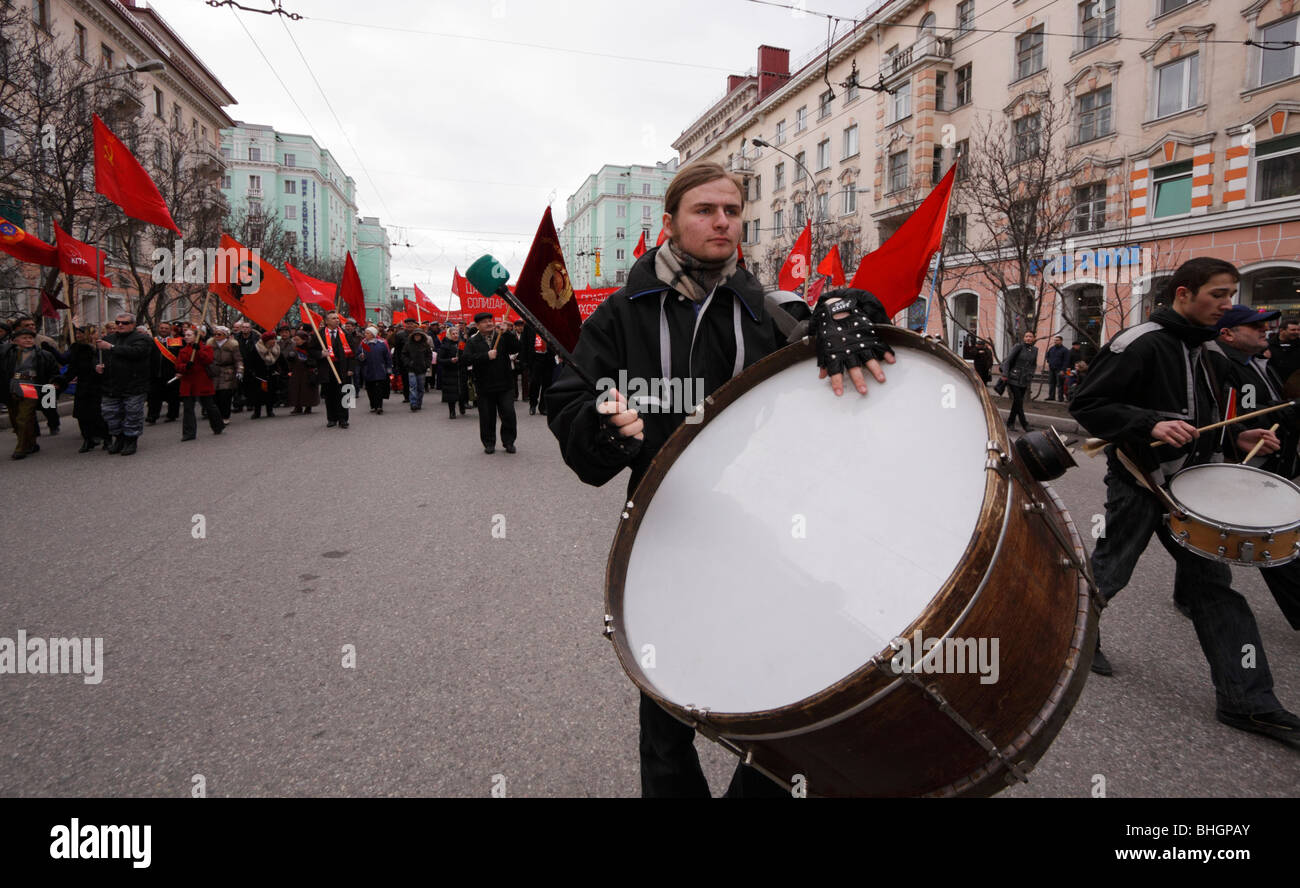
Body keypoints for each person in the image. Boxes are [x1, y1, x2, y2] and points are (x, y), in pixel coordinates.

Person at [547, 160, 893, 796]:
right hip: (667, 533)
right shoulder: (623, 315)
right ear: (671, 222)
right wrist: (600, 428)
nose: (722, 222)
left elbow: (844, 321)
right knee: (666, 709)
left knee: (781, 695)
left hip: (767, 533)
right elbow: (570, 402)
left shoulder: (767, 307)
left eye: (732, 211)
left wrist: (850, 308)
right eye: (705, 210)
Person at [1069, 257, 1298, 750]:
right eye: (1218, 294)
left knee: (1216, 588)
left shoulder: (1211, 352)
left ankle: (1248, 700)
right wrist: (1148, 423)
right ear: (1183, 294)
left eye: (1231, 293)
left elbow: (1209, 417)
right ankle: (1075, 637)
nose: (1227, 304)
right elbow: (1087, 405)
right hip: (1139, 483)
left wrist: (1240, 436)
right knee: (1111, 571)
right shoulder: (1139, 343)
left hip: (1192, 492)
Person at [1207, 304, 1300, 631]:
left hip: (1274, 463)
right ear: (1228, 334)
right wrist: (1276, 414)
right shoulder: (1222, 367)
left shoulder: (1261, 362)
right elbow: (1226, 418)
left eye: (1265, 325)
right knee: (1273, 538)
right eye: (1254, 326)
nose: (1265, 330)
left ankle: (1190, 591)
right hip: (1246, 468)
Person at [96, 311, 152, 455]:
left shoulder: (142, 339)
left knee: (132, 414)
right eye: (118, 322)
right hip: (111, 385)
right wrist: (97, 366)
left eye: (124, 323)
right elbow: (98, 358)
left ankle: (131, 440)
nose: (120, 325)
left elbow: (136, 352)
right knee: (111, 415)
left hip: (133, 385)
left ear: (132, 325)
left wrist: (112, 348)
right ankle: (119, 438)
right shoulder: (108, 339)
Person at [2, 326, 61, 459]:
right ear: (15, 341)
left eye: (30, 338)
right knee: (15, 419)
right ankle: (31, 443)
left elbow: (53, 371)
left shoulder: (43, 354)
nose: (28, 340)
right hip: (12, 386)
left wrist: (55, 382)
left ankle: (20, 448)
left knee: (24, 417)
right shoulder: (7, 353)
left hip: (30, 386)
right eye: (24, 338)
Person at [466, 314, 520, 452]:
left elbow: (516, 348)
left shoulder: (501, 336)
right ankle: (489, 443)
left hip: (505, 384)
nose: (489, 323)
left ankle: (509, 442)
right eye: (484, 322)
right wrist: (485, 356)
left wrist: (508, 332)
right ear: (477, 326)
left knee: (508, 413)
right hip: (485, 385)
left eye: (490, 321)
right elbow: (466, 360)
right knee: (487, 416)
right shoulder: (473, 341)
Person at [64, 325, 109, 452]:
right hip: (83, 386)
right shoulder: (76, 349)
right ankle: (88, 439)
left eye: (81, 333)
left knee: (98, 415)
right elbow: (72, 368)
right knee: (81, 415)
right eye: (77, 334)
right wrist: (60, 381)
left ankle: (106, 438)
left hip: (98, 386)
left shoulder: (100, 348)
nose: (78, 336)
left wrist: (101, 369)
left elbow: (109, 365)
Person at [175, 326, 224, 440]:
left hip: (202, 381)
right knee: (188, 408)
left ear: (196, 337)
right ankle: (189, 433)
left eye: (189, 335)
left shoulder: (206, 348)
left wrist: (198, 351)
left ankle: (218, 425)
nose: (186, 337)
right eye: (185, 335)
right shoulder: (182, 351)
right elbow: (178, 366)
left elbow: (208, 360)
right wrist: (185, 366)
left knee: (209, 406)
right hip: (188, 382)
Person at [318, 311, 359, 429]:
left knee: (344, 394)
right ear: (326, 321)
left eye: (337, 318)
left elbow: (352, 353)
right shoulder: (319, 334)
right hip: (327, 368)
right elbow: (312, 350)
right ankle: (331, 418)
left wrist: (351, 368)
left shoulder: (345, 334)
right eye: (333, 318)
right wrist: (320, 353)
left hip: (343, 369)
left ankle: (343, 419)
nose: (337, 320)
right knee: (329, 395)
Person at [146, 321, 182, 424]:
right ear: (158, 329)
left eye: (166, 328)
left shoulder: (176, 342)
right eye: (162, 328)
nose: (163, 330)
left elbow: (180, 357)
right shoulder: (152, 341)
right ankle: (152, 416)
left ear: (170, 330)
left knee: (173, 396)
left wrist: (179, 371)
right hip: (156, 374)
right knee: (154, 397)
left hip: (171, 374)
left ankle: (172, 415)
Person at [1001, 331, 1037, 432]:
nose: (1028, 338)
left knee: (1017, 403)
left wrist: (1031, 374)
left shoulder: (1034, 350)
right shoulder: (1018, 347)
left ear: (1034, 338)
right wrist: (1005, 374)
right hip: (1013, 378)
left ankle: (1010, 423)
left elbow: (1033, 364)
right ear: (1024, 338)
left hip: (1024, 379)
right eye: (1026, 336)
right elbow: (1008, 361)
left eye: (1030, 336)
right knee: (1019, 402)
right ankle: (1025, 425)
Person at [207, 326, 243, 424]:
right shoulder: (210, 345)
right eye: (215, 334)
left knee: (225, 396)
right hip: (214, 372)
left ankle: (225, 416)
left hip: (227, 373)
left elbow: (238, 359)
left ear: (225, 335)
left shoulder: (232, 346)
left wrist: (240, 370)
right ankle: (217, 417)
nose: (216, 336)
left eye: (219, 334)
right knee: (215, 397)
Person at [358, 326, 393, 414]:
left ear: (373, 334)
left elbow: (387, 357)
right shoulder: (363, 344)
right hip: (368, 370)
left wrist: (389, 369)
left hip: (380, 369)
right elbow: (359, 356)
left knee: (379, 388)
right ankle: (373, 405)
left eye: (367, 333)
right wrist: (361, 357)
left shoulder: (381, 343)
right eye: (365, 333)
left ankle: (379, 406)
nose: (365, 335)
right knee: (370, 388)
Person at [284, 331, 320, 415]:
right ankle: (297, 407)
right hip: (296, 372)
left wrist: (308, 361)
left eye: (298, 340)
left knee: (307, 390)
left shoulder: (310, 348)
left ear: (304, 340)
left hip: (308, 372)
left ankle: (308, 406)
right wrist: (290, 357)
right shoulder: (295, 348)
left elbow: (315, 360)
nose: (296, 341)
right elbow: (290, 361)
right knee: (296, 389)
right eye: (295, 339)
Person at [248, 331, 281, 419]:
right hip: (259, 375)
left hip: (272, 373)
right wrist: (252, 372)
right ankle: (257, 412)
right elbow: (250, 361)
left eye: (274, 339)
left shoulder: (276, 348)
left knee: (271, 393)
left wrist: (282, 371)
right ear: (266, 340)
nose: (274, 341)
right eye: (272, 339)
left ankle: (269, 410)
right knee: (258, 394)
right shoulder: (256, 349)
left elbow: (281, 360)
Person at [436, 324, 463, 419]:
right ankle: (452, 411)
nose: (455, 335)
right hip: (449, 372)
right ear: (449, 335)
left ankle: (462, 406)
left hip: (460, 371)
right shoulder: (445, 346)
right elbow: (439, 360)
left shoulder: (461, 343)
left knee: (461, 391)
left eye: (457, 333)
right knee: (451, 393)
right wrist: (450, 360)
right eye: (453, 334)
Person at [1267, 315, 1300, 384]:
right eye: (1293, 330)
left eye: (1298, 330)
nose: (1297, 332)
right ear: (1282, 330)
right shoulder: (1267, 345)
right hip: (1274, 384)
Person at [1045, 335, 1069, 402]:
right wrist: (1049, 361)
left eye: (1057, 340)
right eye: (1055, 340)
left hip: (1059, 370)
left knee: (1060, 384)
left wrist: (1063, 370)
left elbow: (1066, 361)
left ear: (1061, 341)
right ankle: (1051, 396)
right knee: (1051, 383)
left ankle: (1060, 398)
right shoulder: (1052, 348)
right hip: (1052, 368)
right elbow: (1047, 356)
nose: (1055, 341)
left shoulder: (1065, 350)